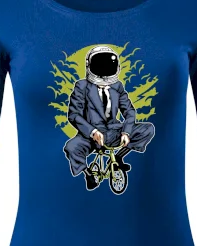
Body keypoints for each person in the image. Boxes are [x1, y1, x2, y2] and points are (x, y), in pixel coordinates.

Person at [63, 45, 155, 190]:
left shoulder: (117, 86)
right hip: (90, 136)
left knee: (148, 129)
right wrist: (92, 132)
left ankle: (118, 157)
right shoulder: (82, 86)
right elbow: (74, 115)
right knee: (71, 147)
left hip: (114, 131)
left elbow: (129, 111)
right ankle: (88, 174)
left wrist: (126, 132)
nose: (104, 74)